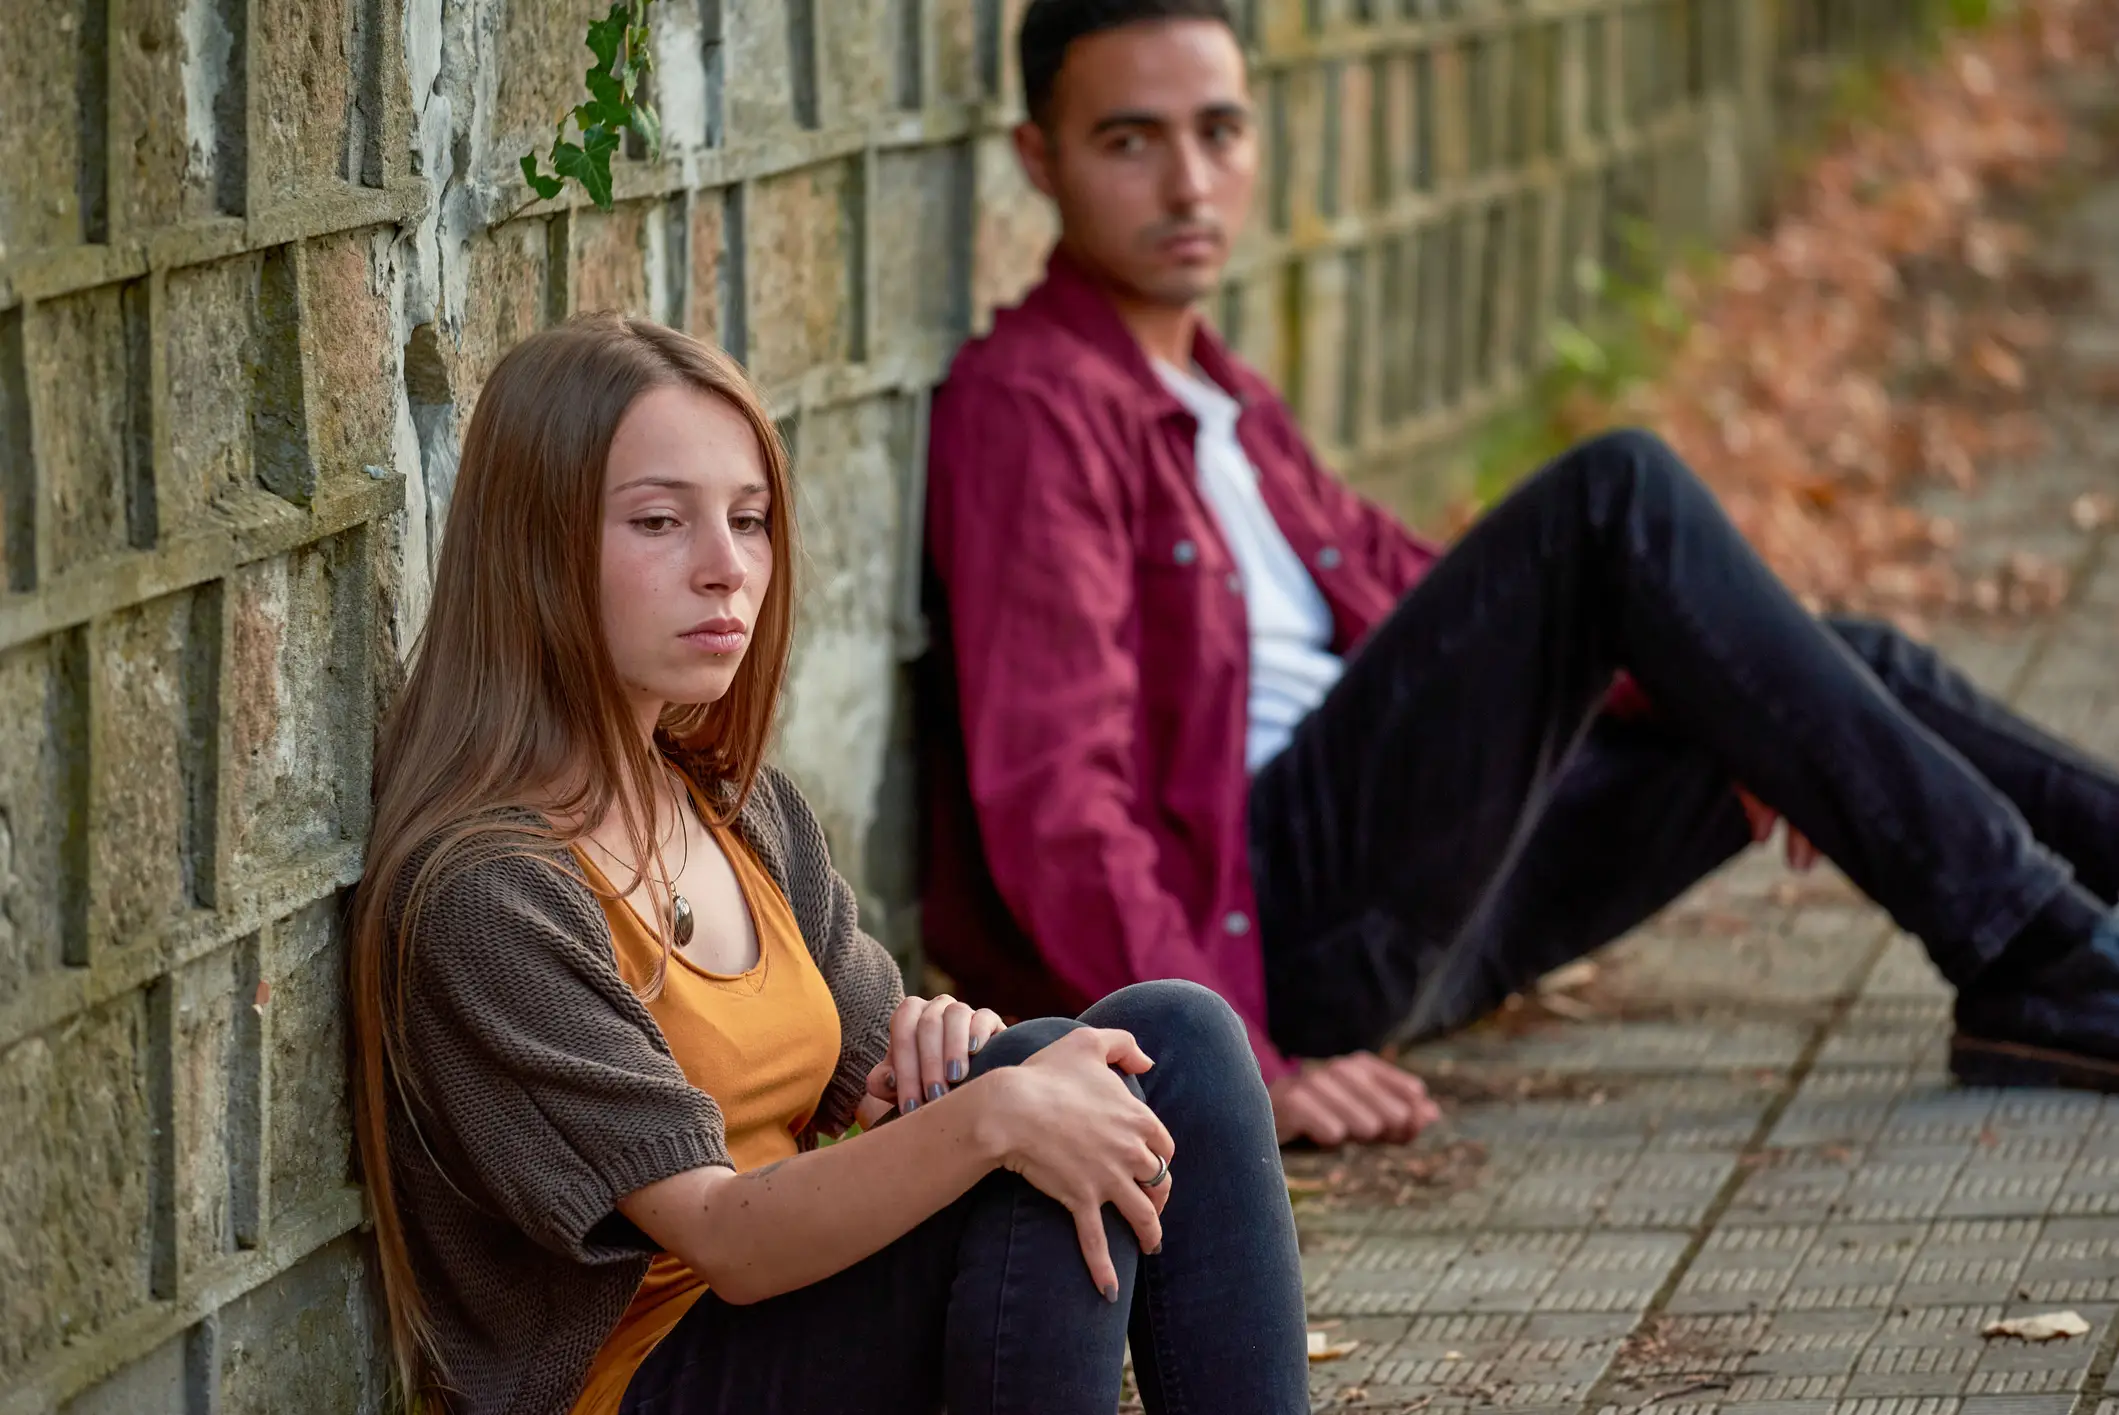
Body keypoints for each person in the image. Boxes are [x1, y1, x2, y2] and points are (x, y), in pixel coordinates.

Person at [918, 0, 2119, 1151]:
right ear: (1040, 156)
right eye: (1130, 142)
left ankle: (2079, 935)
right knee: (1616, 495)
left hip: (1436, 898)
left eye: (1218, 132)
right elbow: (1055, 790)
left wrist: (1755, 710)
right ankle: (2044, 962)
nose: (1188, 183)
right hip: (1273, 934)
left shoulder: (1225, 397)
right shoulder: (1033, 404)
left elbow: (1428, 604)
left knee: (1835, 664)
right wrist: (1228, 1058)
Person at [345, 315, 1311, 1415]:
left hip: (802, 1334)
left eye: (749, 520)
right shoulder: (485, 898)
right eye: (660, 521)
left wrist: (939, 1050)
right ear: (536, 545)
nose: (726, 569)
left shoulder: (734, 806)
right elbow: (724, 1237)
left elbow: (891, 1073)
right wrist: (990, 1112)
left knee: (1171, 1036)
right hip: (648, 1380)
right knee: (1026, 1123)